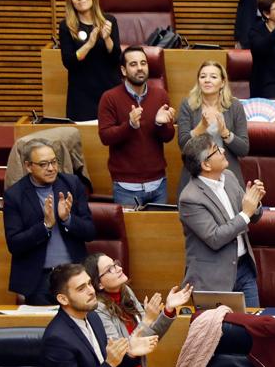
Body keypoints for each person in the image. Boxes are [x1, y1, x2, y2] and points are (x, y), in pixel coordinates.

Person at [83, 252, 191, 367]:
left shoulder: (125, 292)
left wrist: (168, 310)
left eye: (115, 264)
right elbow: (122, 351)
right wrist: (147, 319)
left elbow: (148, 337)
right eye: (109, 269)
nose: (118, 268)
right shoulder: (98, 310)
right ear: (99, 284)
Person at [177, 135, 266, 307]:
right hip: (214, 278)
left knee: (252, 328)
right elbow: (215, 238)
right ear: (206, 164)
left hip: (244, 270)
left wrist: (254, 203)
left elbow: (252, 215)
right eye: (216, 150)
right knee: (220, 332)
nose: (223, 150)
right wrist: (246, 213)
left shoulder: (229, 177)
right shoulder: (190, 198)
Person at [4, 140, 95, 305]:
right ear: (28, 166)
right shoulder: (14, 195)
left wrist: (67, 219)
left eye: (54, 162)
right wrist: (45, 226)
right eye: (43, 164)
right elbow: (14, 244)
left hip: (74, 274)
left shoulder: (72, 184)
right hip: (39, 281)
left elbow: (90, 232)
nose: (51, 168)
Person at [97, 46, 175, 206]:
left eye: (143, 63)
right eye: (133, 64)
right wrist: (130, 125)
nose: (140, 68)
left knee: (159, 231)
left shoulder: (160, 95)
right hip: (126, 187)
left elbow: (168, 137)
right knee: (130, 232)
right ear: (123, 70)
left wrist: (160, 124)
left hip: (158, 184)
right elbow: (105, 137)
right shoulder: (109, 98)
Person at [176, 60, 250, 192]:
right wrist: (201, 127)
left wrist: (225, 133)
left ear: (222, 83)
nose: (207, 80)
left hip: (227, 174)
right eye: (203, 76)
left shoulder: (234, 106)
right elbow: (183, 145)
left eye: (213, 77)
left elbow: (244, 149)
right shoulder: (188, 105)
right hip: (196, 175)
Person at [57, 0, 120, 121]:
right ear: (70, 1)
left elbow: (116, 58)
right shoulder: (66, 26)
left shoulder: (109, 21)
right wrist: (89, 44)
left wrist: (107, 38)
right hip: (82, 96)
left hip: (109, 90)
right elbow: (69, 62)